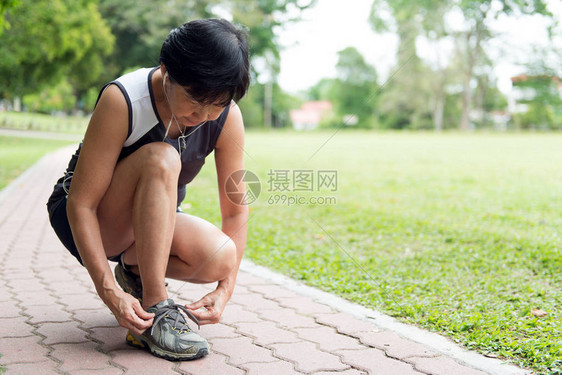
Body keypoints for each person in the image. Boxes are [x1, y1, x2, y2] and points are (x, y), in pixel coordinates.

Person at [46, 19, 250, 361]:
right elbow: (81, 204)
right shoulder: (123, 99)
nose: (203, 115)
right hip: (88, 218)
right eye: (195, 100)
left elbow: (235, 209)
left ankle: (135, 271)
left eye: (216, 103)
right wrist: (108, 292)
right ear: (167, 72)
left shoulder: (226, 115)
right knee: (162, 158)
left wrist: (225, 289)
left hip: (150, 221)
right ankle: (156, 311)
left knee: (222, 258)